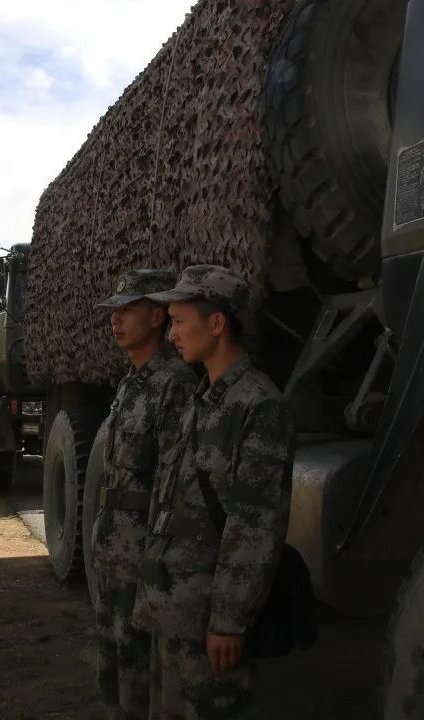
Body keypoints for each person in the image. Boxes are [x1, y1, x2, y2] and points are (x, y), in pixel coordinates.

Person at [135, 264, 294, 719]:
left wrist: (228, 619)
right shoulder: (203, 398)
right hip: (173, 606)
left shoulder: (258, 405)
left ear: (218, 323)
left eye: (180, 322)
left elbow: (255, 524)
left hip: (208, 615)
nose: (172, 336)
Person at [92, 270, 198, 720]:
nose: (116, 320)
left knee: (142, 666)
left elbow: (176, 483)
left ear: (157, 317)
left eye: (128, 310)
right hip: (112, 544)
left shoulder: (175, 384)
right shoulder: (130, 383)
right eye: (113, 311)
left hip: (143, 549)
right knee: (114, 656)